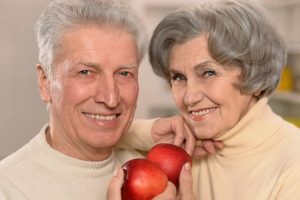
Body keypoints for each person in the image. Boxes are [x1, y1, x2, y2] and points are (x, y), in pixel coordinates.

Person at [0, 0, 205, 199]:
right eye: (86, 72)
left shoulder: (162, 170)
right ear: (45, 82)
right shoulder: (8, 188)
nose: (111, 98)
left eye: (124, 73)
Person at [117, 0, 300, 199]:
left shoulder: (293, 165)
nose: (189, 97)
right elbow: (90, 139)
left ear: (253, 75)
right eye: (178, 77)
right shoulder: (182, 149)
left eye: (209, 73)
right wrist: (150, 132)